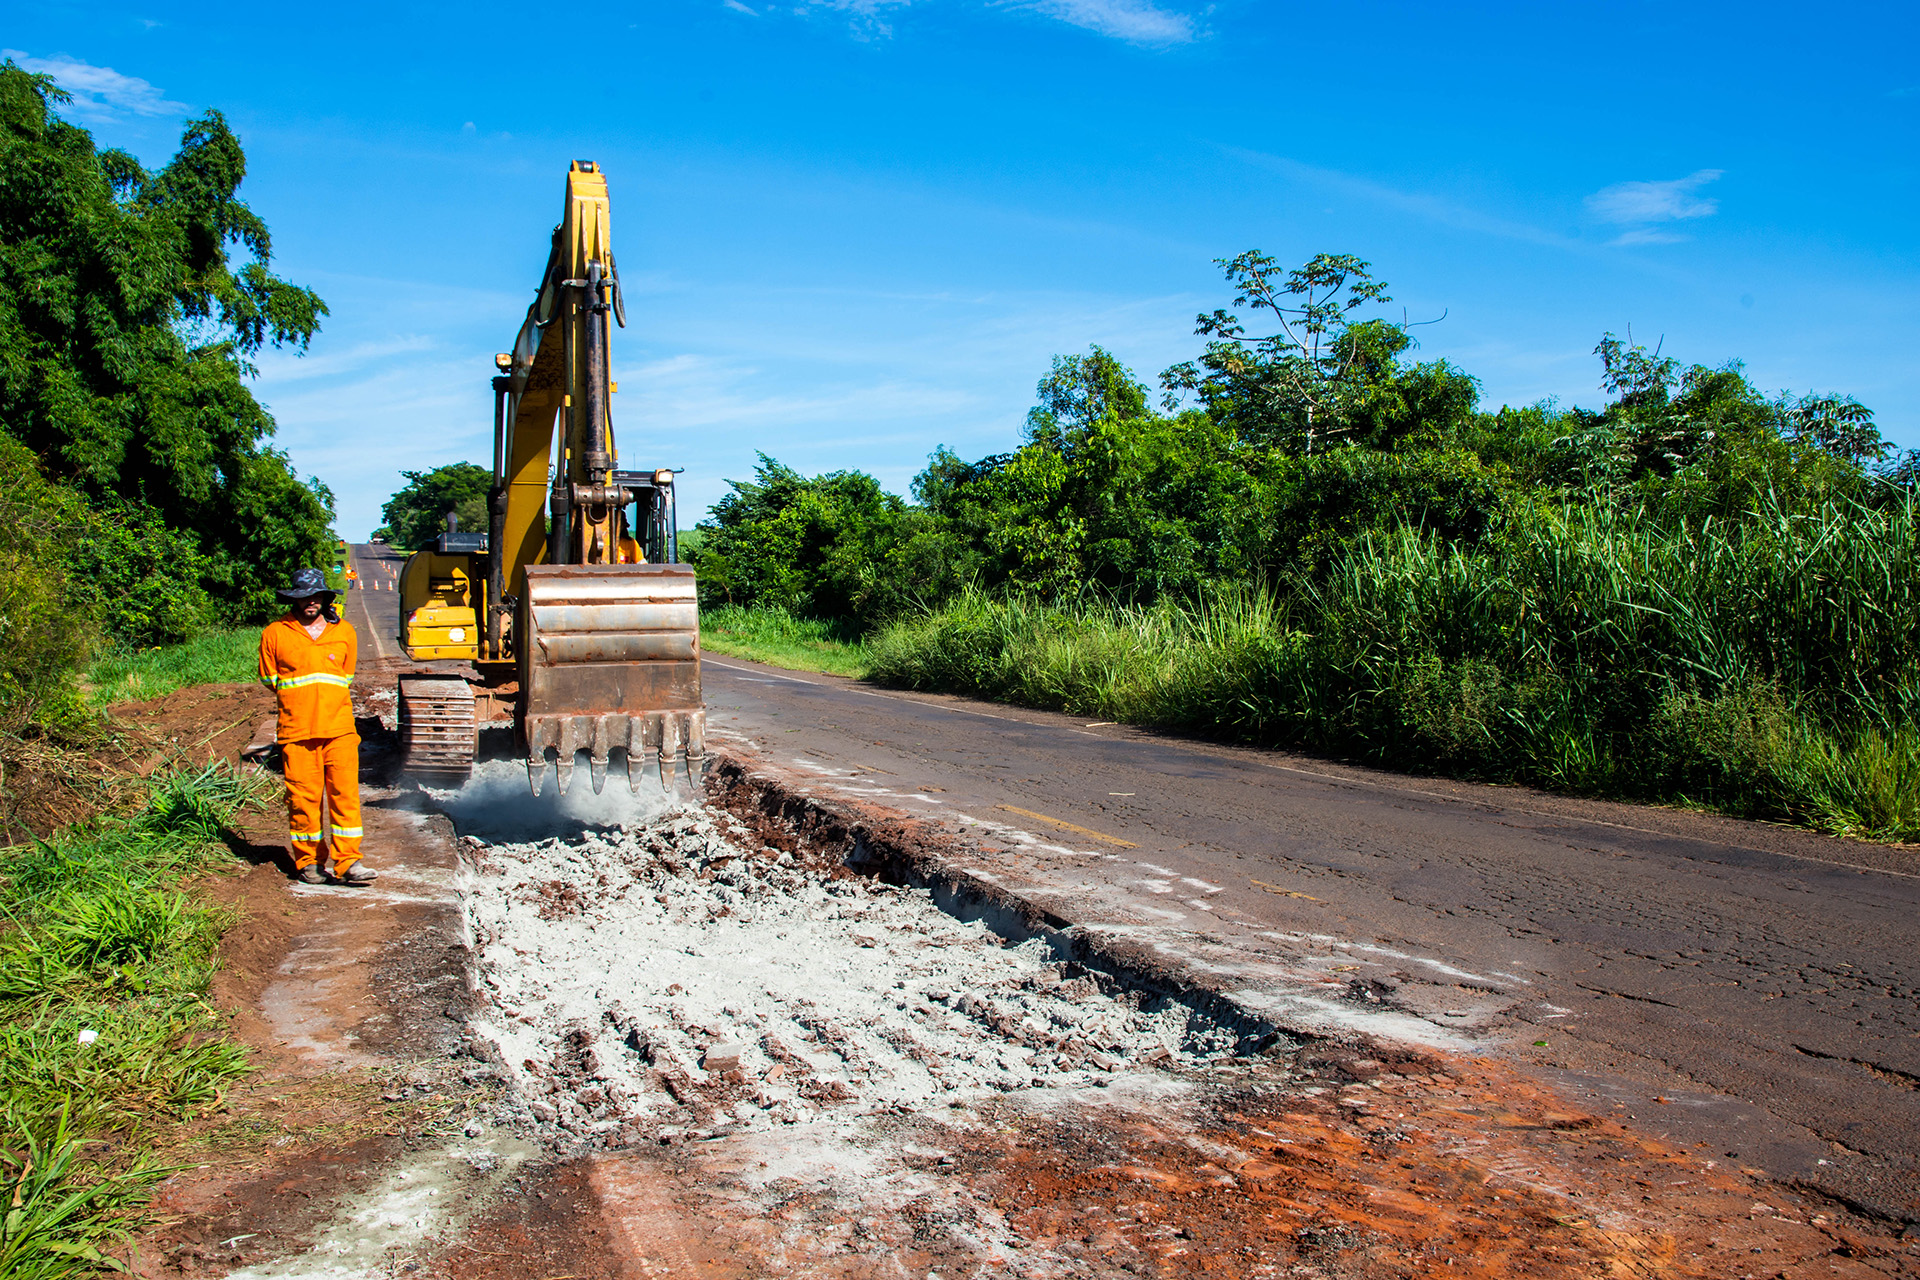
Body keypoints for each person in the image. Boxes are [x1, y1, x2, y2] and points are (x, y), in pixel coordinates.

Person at [258, 568, 376, 886]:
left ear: (324, 598)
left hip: (338, 729)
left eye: (316, 596)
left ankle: (348, 861)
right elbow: (270, 678)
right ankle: (309, 862)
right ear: (293, 599)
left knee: (345, 796)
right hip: (296, 732)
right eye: (304, 597)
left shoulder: (345, 633)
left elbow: (345, 675)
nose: (311, 602)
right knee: (302, 801)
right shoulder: (275, 633)